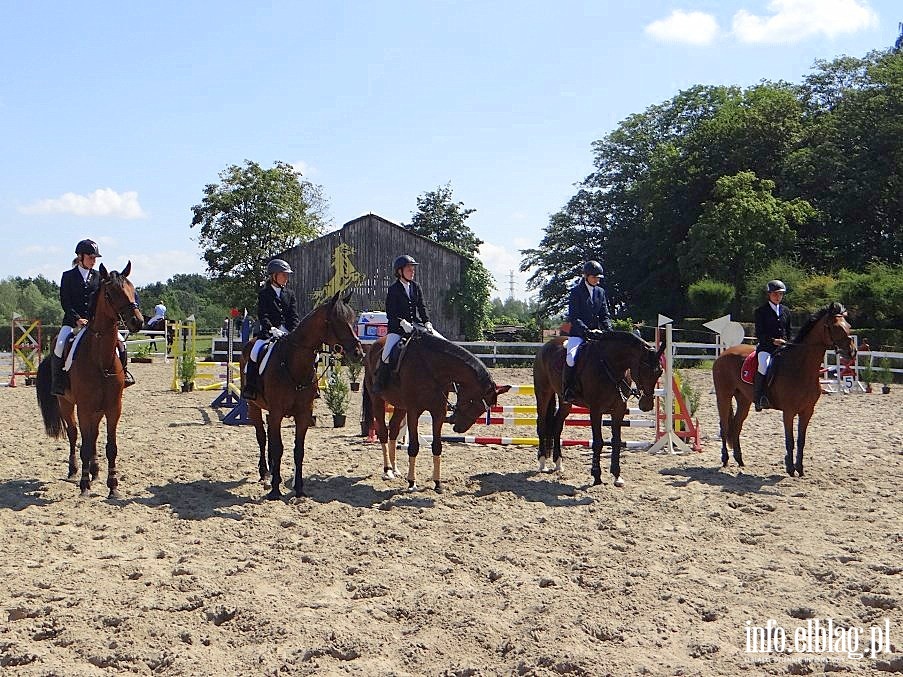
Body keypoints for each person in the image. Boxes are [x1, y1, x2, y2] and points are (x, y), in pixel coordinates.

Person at [52, 238, 136, 394]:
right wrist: (77, 318)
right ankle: (58, 382)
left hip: (94, 322)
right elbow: (65, 302)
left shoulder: (98, 277)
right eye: (91, 258)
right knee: (60, 344)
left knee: (121, 342)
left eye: (95, 258)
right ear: (80, 256)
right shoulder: (68, 276)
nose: (93, 261)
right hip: (73, 322)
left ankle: (124, 375)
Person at [373, 254, 441, 393]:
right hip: (397, 329)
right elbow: (390, 313)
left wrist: (427, 321)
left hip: (415, 326)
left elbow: (422, 307)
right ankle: (380, 382)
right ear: (400, 271)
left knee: (440, 341)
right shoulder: (393, 289)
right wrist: (402, 322)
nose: (412, 271)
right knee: (386, 355)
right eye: (409, 269)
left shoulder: (416, 287)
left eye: (413, 269)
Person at [242, 258, 300, 400]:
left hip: (288, 333)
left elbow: (294, 315)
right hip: (269, 333)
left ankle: (311, 388)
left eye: (287, 275)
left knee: (312, 356)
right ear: (274, 275)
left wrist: (294, 331)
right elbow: (263, 315)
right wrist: (272, 328)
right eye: (283, 274)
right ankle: (250, 387)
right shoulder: (264, 293)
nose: (286, 277)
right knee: (255, 353)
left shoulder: (290, 294)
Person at [562, 260, 613, 403]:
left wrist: (608, 330)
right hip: (578, 334)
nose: (597, 280)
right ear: (586, 276)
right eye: (594, 277)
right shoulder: (576, 292)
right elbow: (574, 317)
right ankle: (568, 389)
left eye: (598, 278)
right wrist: (587, 331)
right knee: (571, 358)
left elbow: (605, 315)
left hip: (597, 334)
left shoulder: (600, 292)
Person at [753, 279, 792, 411]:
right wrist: (773, 341)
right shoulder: (760, 311)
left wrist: (788, 342)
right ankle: (759, 397)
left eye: (780, 294)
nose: (778, 297)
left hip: (783, 348)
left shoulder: (786, 311)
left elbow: (789, 331)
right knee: (764, 365)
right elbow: (759, 333)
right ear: (769, 294)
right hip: (766, 348)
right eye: (775, 294)